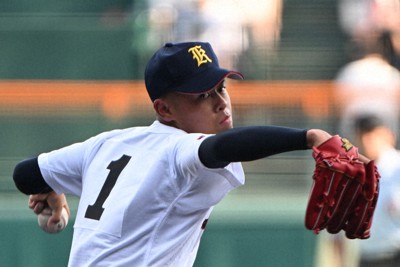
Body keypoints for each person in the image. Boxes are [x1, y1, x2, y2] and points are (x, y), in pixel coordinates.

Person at [13, 41, 359, 266]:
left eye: (221, 87)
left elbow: (25, 173)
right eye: (202, 96)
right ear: (165, 109)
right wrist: (309, 136)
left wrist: (53, 189)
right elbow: (220, 147)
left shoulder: (108, 143)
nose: (221, 102)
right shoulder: (177, 148)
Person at [353, 114, 400, 267]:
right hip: (367, 257)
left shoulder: (396, 167)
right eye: (363, 136)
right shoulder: (359, 172)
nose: (368, 142)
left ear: (388, 135)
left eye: (373, 136)